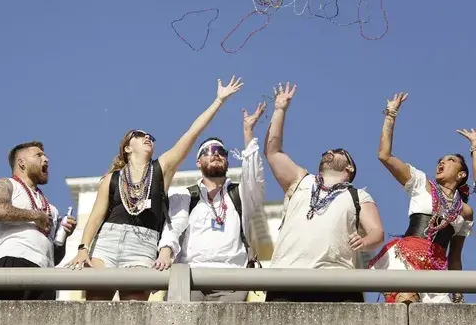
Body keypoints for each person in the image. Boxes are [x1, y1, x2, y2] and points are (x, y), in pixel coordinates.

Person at [66, 76, 243, 301]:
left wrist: (218, 101)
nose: (147, 137)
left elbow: (191, 134)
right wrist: (83, 249)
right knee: (96, 307)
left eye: (150, 136)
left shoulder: (161, 170)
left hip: (142, 246)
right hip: (107, 242)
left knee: (134, 311)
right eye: (140, 135)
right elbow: (96, 217)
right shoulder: (112, 179)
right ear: (127, 148)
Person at [263, 82, 384, 303]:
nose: (329, 151)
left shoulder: (358, 196)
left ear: (350, 168)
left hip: (337, 280)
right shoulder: (300, 180)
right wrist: (280, 110)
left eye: (337, 152)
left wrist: (366, 242)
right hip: (286, 276)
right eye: (328, 150)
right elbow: (272, 152)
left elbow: (377, 232)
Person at [154, 102, 267, 302]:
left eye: (221, 152)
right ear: (198, 162)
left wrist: (248, 133)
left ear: (227, 160)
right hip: (190, 278)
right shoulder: (186, 196)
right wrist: (165, 252)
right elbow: (173, 229)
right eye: (208, 151)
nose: (215, 154)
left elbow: (254, 177)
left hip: (232, 280)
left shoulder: (240, 194)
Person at [370, 92, 474, 304]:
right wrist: (390, 115)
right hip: (406, 258)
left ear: (461, 174)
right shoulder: (420, 183)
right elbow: (384, 156)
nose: (441, 162)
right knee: (406, 300)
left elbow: (454, 258)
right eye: (440, 160)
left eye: (450, 160)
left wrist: (458, 291)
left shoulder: (464, 211)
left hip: (436, 270)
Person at [0, 141, 77, 301]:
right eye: (39, 155)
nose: (46, 159)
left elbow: (54, 258)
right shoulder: (6, 184)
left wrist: (64, 237)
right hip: (12, 261)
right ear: (22, 163)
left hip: (45, 274)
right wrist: (35, 216)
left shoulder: (51, 209)